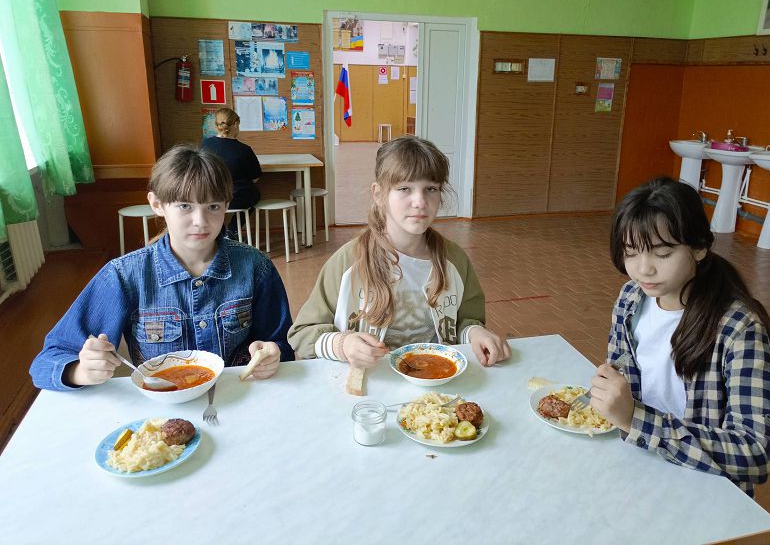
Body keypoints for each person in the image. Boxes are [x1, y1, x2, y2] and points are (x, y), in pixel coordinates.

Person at [30, 145, 293, 391]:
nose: (200, 221)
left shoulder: (255, 266)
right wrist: (81, 371)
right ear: (157, 204)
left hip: (238, 397)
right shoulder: (126, 275)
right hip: (162, 411)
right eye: (185, 206)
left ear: (227, 205)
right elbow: (47, 362)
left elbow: (282, 344)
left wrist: (274, 353)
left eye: (213, 206)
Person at [591, 177, 770, 496]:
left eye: (662, 254)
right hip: (640, 463)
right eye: (631, 253)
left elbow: (755, 453)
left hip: (703, 485)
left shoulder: (738, 329)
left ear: (699, 247)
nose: (644, 269)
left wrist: (636, 419)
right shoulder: (630, 299)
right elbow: (620, 375)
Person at [288, 136, 511, 368]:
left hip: (434, 379)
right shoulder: (348, 262)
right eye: (404, 188)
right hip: (366, 383)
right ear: (378, 194)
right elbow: (302, 334)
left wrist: (475, 332)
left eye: (431, 189)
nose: (420, 201)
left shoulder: (455, 261)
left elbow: (466, 321)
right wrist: (342, 344)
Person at [201, 107, 261, 238]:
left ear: (217, 125)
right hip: (237, 199)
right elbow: (255, 178)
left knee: (215, 205)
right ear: (236, 124)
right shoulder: (244, 150)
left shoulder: (204, 146)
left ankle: (220, 231)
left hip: (210, 197)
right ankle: (233, 229)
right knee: (254, 196)